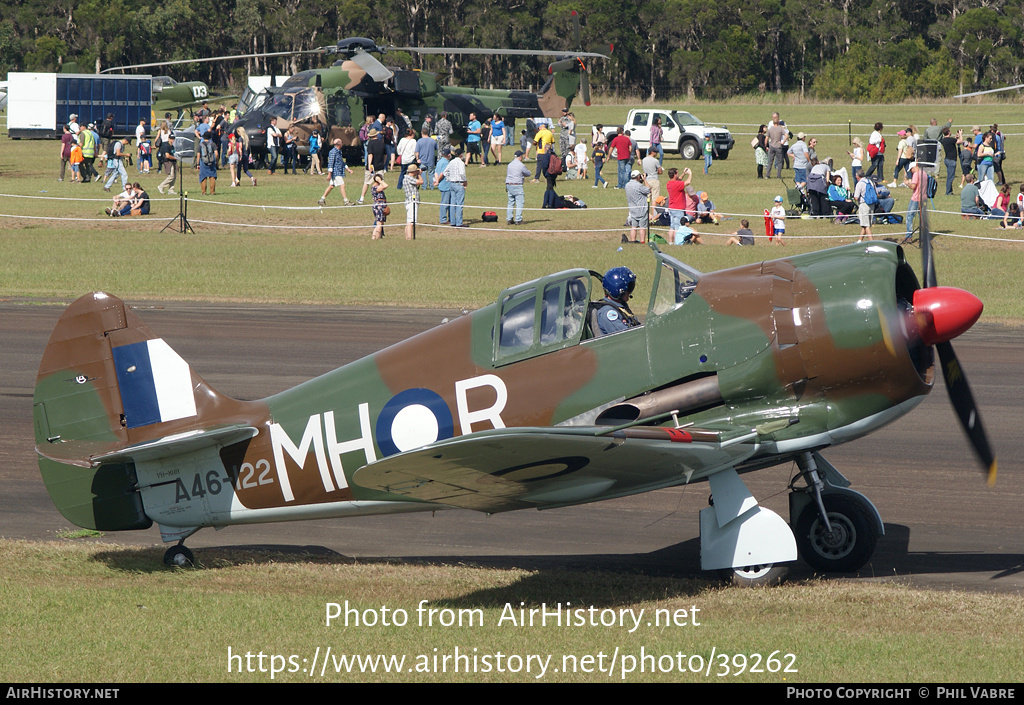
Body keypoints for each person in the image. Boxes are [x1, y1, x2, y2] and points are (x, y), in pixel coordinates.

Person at [594, 267, 640, 336]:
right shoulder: (608, 313)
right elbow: (627, 336)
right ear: (620, 291)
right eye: (630, 288)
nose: (630, 292)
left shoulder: (620, 306)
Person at [435, 149, 467, 227]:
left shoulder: (451, 162)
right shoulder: (461, 163)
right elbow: (462, 173)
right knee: (459, 203)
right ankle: (459, 222)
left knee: (453, 203)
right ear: (461, 154)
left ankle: (453, 221)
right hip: (459, 183)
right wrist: (465, 181)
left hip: (452, 184)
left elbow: (445, 172)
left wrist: (449, 179)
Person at [319, 138, 352, 206]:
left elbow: (341, 162)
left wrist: (348, 169)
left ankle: (322, 199)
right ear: (339, 144)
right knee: (342, 185)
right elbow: (330, 163)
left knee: (331, 186)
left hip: (338, 171)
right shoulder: (333, 152)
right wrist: (329, 174)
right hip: (335, 172)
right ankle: (346, 201)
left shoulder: (339, 151)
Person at [624, 170, 651, 244]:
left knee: (634, 227)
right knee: (642, 227)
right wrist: (645, 180)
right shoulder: (639, 186)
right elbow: (648, 190)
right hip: (641, 209)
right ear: (638, 176)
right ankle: (642, 241)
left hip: (632, 209)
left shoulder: (627, 185)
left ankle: (633, 240)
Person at [505, 150, 530, 225]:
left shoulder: (509, 164)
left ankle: (509, 218)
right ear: (520, 157)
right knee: (519, 202)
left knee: (510, 202)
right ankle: (518, 219)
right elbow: (528, 173)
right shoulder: (521, 165)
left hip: (509, 184)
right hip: (517, 185)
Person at [853, 172, 875, 241]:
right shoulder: (870, 182)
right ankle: (859, 241)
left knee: (866, 226)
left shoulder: (859, 184)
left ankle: (872, 242)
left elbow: (856, 197)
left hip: (863, 204)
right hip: (872, 204)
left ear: (857, 176)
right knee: (865, 224)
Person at [402, 164, 422, 240]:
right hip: (412, 202)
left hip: (408, 201)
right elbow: (421, 182)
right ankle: (409, 238)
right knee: (411, 222)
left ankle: (407, 237)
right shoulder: (409, 178)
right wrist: (419, 174)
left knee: (408, 221)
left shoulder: (406, 178)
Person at [435, 146, 452, 225]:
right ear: (448, 155)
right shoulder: (446, 162)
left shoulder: (439, 161)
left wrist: (436, 180)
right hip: (445, 184)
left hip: (441, 184)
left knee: (445, 201)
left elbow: (436, 172)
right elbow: (442, 173)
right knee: (445, 202)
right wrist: (438, 181)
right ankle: (443, 219)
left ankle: (448, 218)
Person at [766, 113, 786, 179]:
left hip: (771, 146)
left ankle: (767, 175)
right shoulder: (780, 129)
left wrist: (766, 146)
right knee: (780, 162)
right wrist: (782, 142)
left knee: (770, 162)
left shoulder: (770, 129)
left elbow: (766, 138)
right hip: (778, 146)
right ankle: (778, 176)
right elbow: (786, 136)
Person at [905, 162, 922, 239]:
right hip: (923, 198)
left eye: (911, 169)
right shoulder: (923, 173)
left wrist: (907, 183)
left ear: (913, 168)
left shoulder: (916, 174)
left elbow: (913, 186)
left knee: (909, 216)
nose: (911, 171)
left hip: (916, 198)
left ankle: (909, 236)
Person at [370, 174, 388, 239]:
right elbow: (386, 185)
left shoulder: (377, 187)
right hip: (379, 205)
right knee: (379, 223)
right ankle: (376, 238)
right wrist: (380, 181)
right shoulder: (375, 187)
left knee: (380, 222)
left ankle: (375, 237)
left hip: (381, 205)